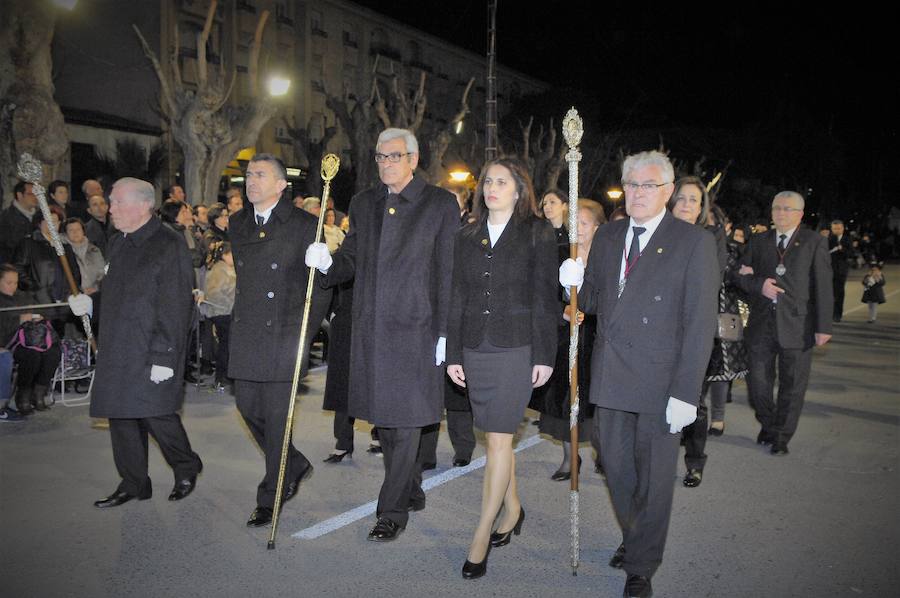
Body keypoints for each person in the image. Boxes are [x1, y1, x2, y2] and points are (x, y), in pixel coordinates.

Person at [559, 150, 719, 598]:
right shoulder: (609, 237)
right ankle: (635, 537)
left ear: (667, 192)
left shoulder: (692, 243)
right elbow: (590, 300)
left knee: (653, 477)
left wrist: (687, 392)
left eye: (648, 185)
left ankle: (641, 564)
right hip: (612, 376)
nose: (637, 193)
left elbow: (699, 323)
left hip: (660, 382)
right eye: (630, 184)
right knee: (615, 466)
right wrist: (572, 280)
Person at [305, 128, 458, 542]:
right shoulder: (364, 202)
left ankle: (391, 511)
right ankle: (409, 487)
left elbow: (447, 270)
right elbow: (351, 257)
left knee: (406, 421)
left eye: (394, 156)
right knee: (387, 422)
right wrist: (326, 264)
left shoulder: (440, 203)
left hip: (417, 328)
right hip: (372, 327)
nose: (386, 164)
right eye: (380, 157)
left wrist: (446, 331)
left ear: (413, 158)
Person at [445, 157, 557, 580]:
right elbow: (457, 295)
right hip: (475, 345)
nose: (492, 187)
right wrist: (454, 352)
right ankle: (513, 508)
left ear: (518, 190)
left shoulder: (537, 233)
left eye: (501, 182)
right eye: (487, 181)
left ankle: (480, 534)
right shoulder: (466, 234)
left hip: (516, 347)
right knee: (497, 438)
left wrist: (545, 354)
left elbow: (545, 297)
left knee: (496, 439)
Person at [68, 177, 203, 508]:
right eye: (111, 202)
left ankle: (186, 466)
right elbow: (115, 293)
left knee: (156, 414)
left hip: (152, 346)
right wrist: (91, 304)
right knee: (122, 415)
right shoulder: (118, 242)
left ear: (143, 205)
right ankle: (134, 482)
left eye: (117, 202)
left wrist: (165, 357)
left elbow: (175, 306)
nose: (110, 208)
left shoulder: (169, 245)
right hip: (119, 344)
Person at [228, 153, 332, 528]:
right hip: (248, 332)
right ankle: (295, 463)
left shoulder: (305, 224)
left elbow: (319, 287)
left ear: (280, 184)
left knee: (276, 419)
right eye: (248, 174)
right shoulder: (237, 222)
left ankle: (271, 494)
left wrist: (304, 331)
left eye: (259, 175)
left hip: (285, 334)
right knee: (246, 407)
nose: (250, 181)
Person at [735, 191, 833, 456]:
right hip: (761, 323)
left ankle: (781, 436)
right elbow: (738, 277)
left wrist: (824, 326)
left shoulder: (813, 242)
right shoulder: (759, 241)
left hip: (798, 325)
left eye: (788, 209)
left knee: (793, 384)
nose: (781, 213)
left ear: (800, 214)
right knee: (757, 383)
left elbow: (823, 285)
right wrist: (758, 284)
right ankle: (769, 422)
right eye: (777, 208)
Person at [531, 198, 606, 480]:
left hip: (598, 336)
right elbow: (544, 294)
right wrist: (563, 310)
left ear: (597, 227)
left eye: (584, 223)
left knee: (597, 402)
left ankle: (604, 453)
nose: (578, 229)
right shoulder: (561, 252)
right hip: (566, 338)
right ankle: (569, 457)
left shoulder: (607, 257)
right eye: (574, 222)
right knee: (566, 400)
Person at [667, 177, 727, 488]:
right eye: (683, 198)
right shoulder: (657, 233)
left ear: (702, 207)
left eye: (694, 200)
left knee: (694, 401)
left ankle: (694, 462)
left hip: (695, 333)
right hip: (659, 334)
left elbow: (709, 286)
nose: (688, 204)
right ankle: (661, 460)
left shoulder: (711, 237)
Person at [0, 263, 63, 414]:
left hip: (31, 339)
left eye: (15, 282)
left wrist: (38, 317)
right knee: (31, 356)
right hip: (8, 341)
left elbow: (42, 311)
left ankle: (38, 393)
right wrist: (19, 320)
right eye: (8, 283)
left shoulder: (23, 296)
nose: (13, 286)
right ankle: (23, 395)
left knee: (52, 352)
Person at [14, 207, 81, 340]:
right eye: (48, 220)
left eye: (56, 221)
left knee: (63, 339)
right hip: (39, 302)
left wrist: (71, 292)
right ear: (39, 223)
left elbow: (75, 273)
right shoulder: (29, 243)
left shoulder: (65, 246)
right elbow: (17, 269)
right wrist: (34, 287)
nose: (52, 224)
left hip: (63, 302)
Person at [203, 241, 235, 391]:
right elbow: (214, 293)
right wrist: (231, 295)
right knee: (226, 344)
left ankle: (225, 375)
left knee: (227, 344)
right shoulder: (219, 270)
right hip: (221, 312)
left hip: (226, 311)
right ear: (225, 255)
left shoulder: (225, 268)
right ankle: (222, 376)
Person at [0, 181, 38, 264]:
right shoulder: (6, 218)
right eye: (31, 194)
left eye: (37, 194)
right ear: (20, 195)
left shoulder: (40, 216)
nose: (35, 197)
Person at [829, 219, 852, 322]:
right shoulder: (828, 239)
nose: (836, 230)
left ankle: (837, 314)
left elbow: (850, 253)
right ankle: (827, 313)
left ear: (842, 228)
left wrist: (841, 249)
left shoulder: (847, 239)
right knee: (828, 293)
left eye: (838, 228)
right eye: (834, 228)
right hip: (828, 270)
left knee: (839, 293)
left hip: (841, 270)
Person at [84, 194, 115, 258]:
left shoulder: (118, 224)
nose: (99, 207)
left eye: (102, 203)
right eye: (95, 205)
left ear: (107, 207)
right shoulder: (86, 230)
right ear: (89, 210)